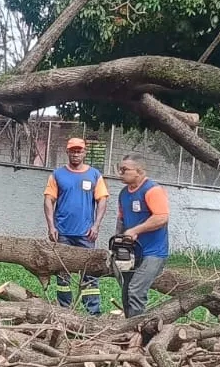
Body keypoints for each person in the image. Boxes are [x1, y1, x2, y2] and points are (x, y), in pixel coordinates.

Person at [44, 136, 110, 314]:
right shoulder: (57, 175)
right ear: (67, 152)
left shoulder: (95, 175)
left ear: (85, 152)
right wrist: (51, 226)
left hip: (86, 235)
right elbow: (48, 200)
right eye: (72, 150)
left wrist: (96, 226)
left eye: (79, 150)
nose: (76, 154)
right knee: (62, 274)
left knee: (90, 274)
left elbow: (102, 201)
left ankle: (92, 313)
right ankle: (65, 311)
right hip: (62, 234)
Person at [113, 155, 170, 317]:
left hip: (154, 252)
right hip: (132, 252)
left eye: (124, 170)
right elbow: (122, 219)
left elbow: (162, 217)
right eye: (120, 168)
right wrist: (118, 242)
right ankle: (128, 326)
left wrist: (136, 230)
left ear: (139, 171)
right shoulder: (123, 193)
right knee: (126, 291)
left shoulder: (152, 190)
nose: (120, 173)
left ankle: (137, 331)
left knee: (136, 290)